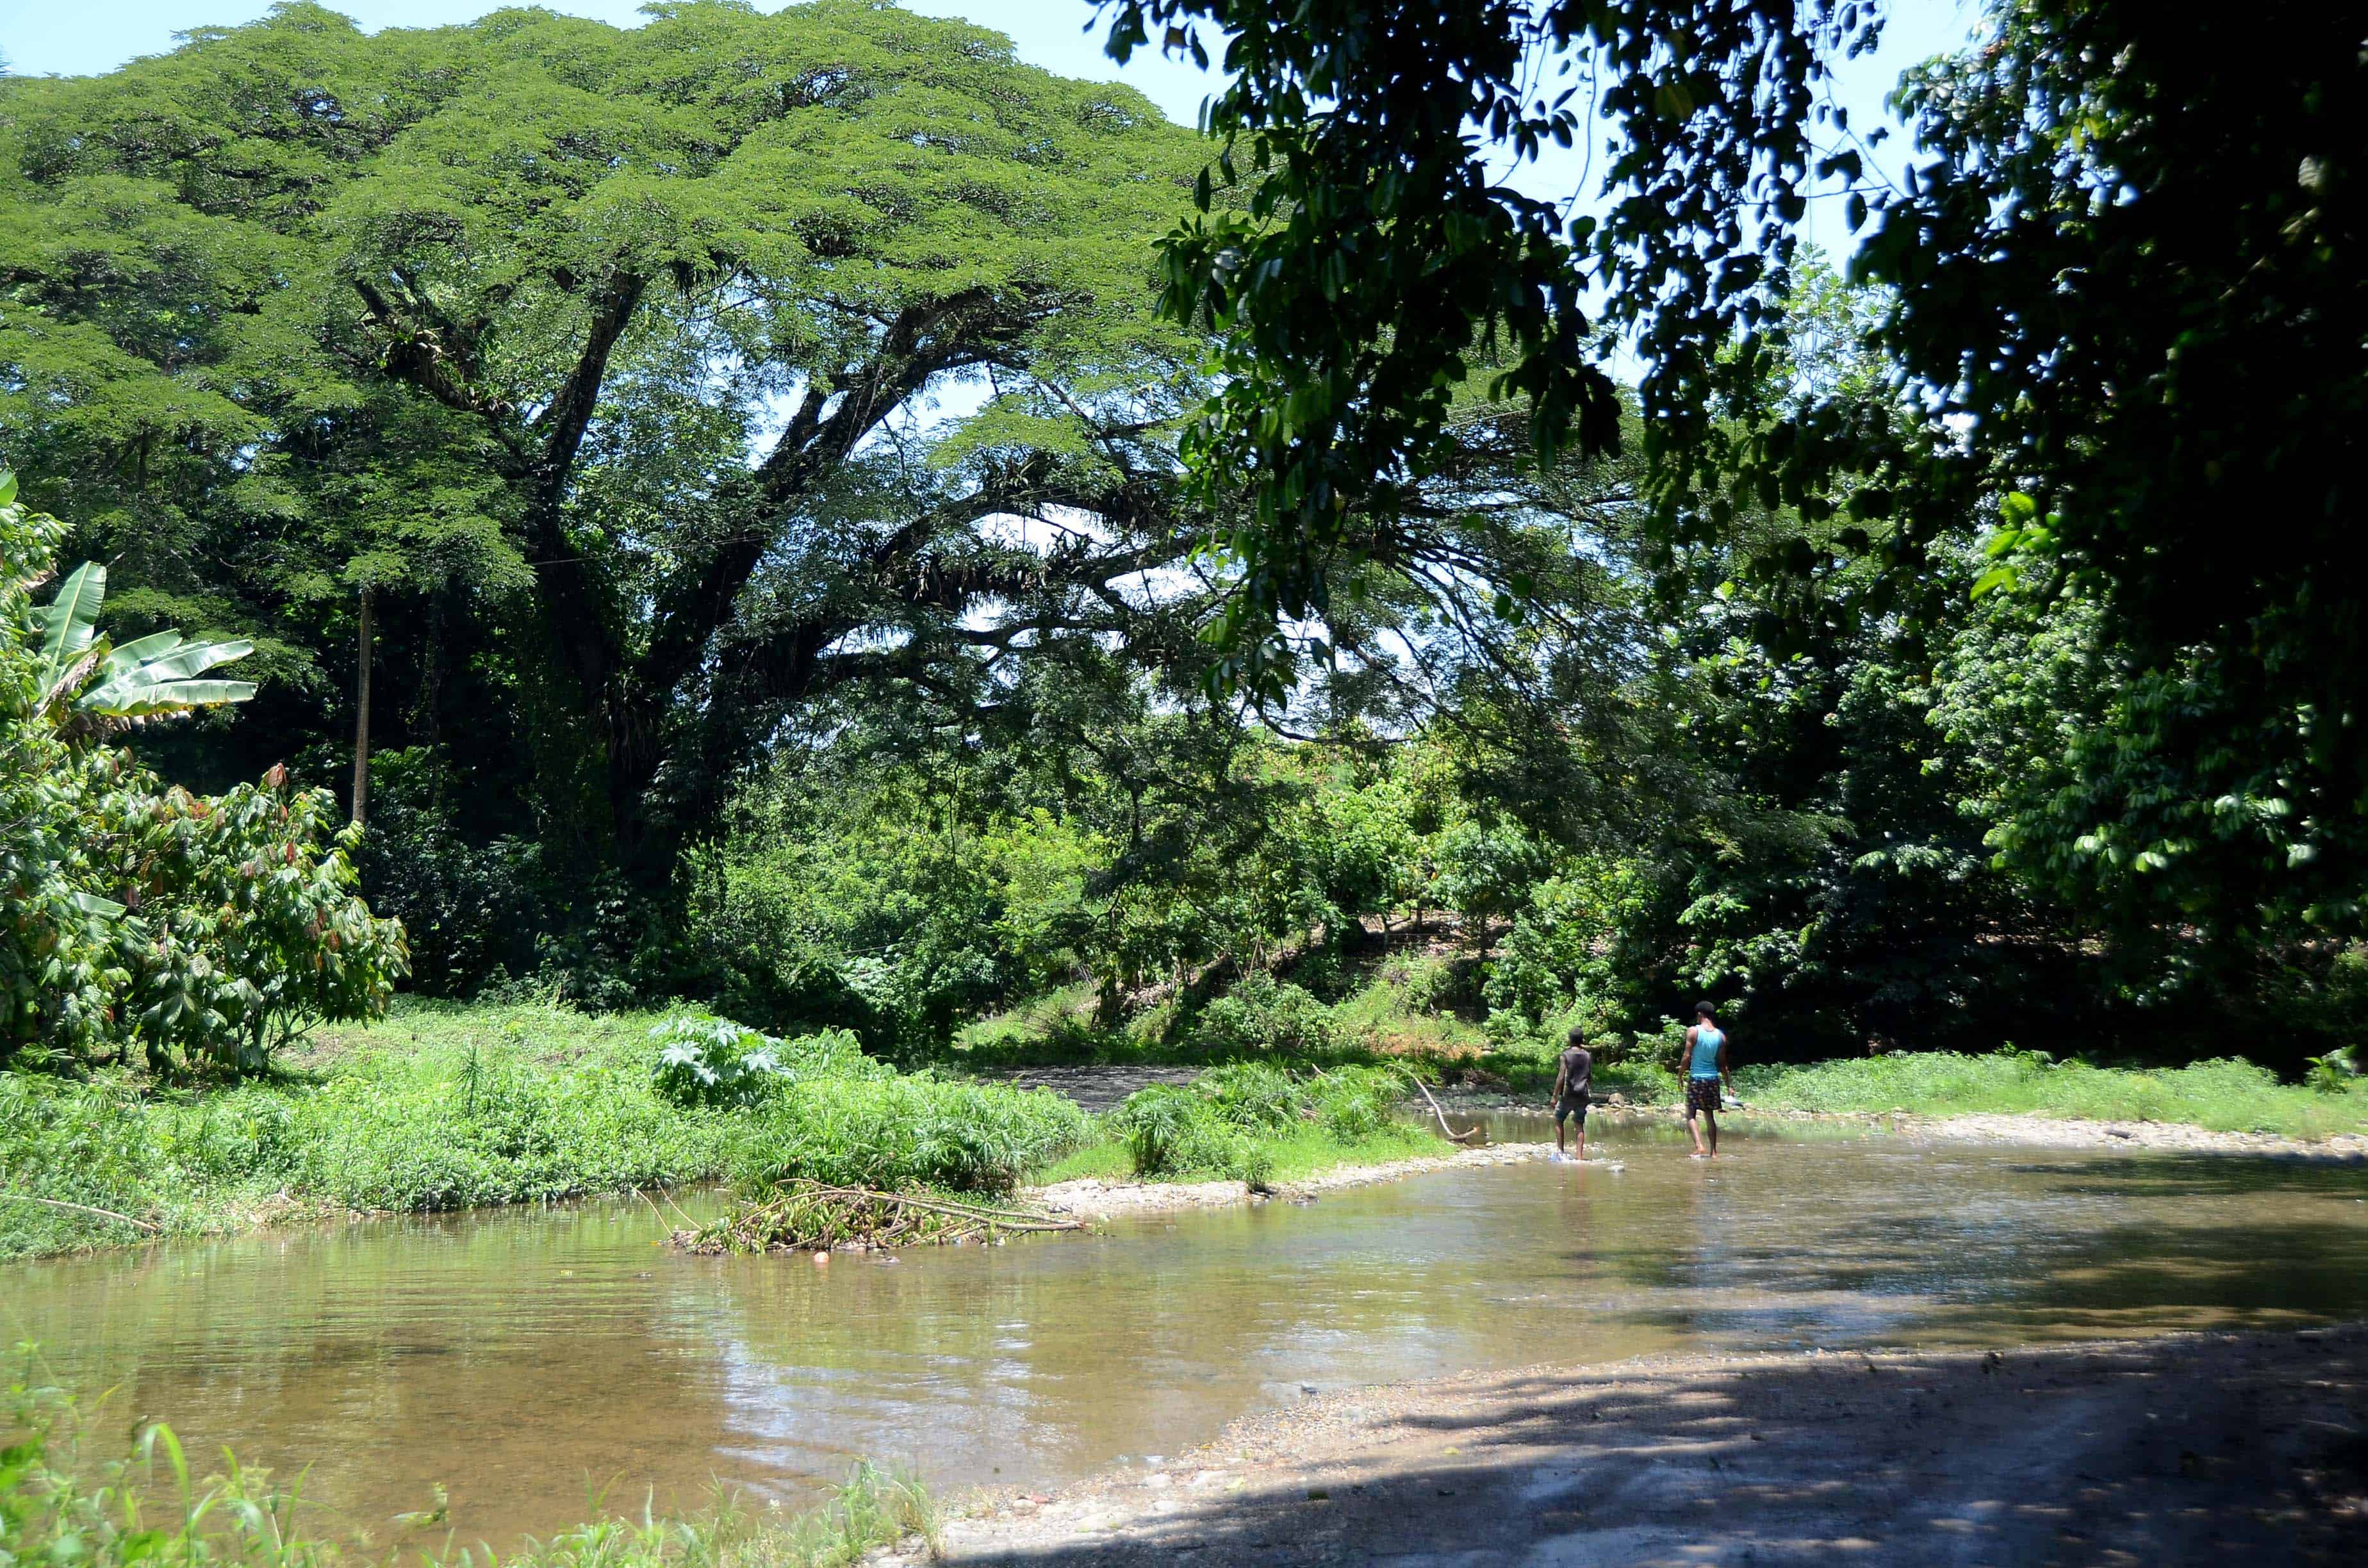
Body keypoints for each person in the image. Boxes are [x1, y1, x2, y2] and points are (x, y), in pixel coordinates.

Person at [1682, 1002, 1732, 1159]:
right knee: (1709, 1115)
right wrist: (1729, 1085)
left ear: (1700, 1014)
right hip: (1713, 1079)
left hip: (1697, 1078)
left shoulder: (1693, 1032)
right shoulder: (1720, 1036)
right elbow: (1723, 1064)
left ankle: (1699, 1147)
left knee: (1690, 1114)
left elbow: (1687, 1056)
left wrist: (1680, 1074)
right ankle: (1714, 1152)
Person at [1549, 1027, 1593, 1160]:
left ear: (1570, 1040)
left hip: (1568, 1094)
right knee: (1579, 1125)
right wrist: (1589, 1089)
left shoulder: (1565, 1055)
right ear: (1582, 1040)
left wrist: (1555, 1096)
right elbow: (1589, 1076)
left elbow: (1561, 1077)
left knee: (1559, 1119)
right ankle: (1579, 1157)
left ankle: (1561, 1152)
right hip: (1582, 1094)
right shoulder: (1587, 1055)